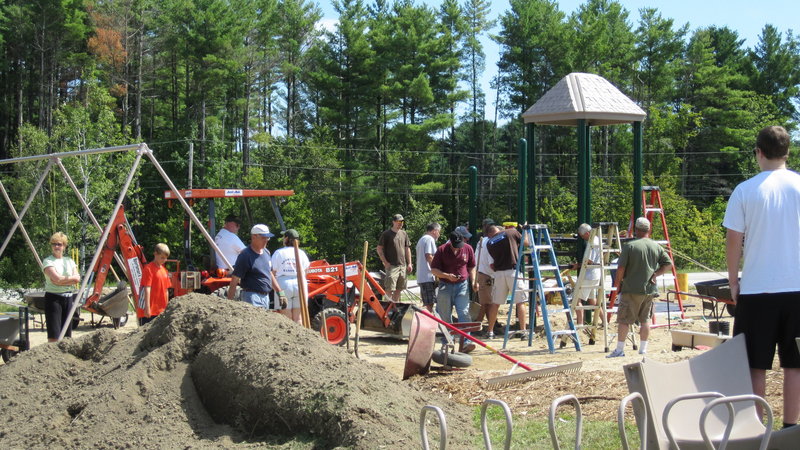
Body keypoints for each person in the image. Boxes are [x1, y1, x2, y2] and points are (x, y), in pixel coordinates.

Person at [724, 125, 800, 428]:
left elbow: (733, 240)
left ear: (758, 152)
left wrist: (733, 282)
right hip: (797, 291)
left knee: (755, 365)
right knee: (795, 366)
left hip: (756, 291)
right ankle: (791, 428)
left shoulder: (745, 190)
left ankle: (758, 430)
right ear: (787, 152)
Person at [607, 217, 672, 358]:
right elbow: (668, 264)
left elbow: (621, 268)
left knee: (624, 320)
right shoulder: (656, 246)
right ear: (649, 230)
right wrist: (656, 275)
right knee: (645, 320)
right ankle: (643, 349)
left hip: (631, 289)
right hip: (649, 289)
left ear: (636, 230)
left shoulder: (630, 246)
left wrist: (617, 284)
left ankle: (619, 350)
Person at [430, 231, 477, 353]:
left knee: (464, 312)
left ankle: (466, 341)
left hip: (462, 285)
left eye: (460, 244)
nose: (458, 248)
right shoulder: (441, 250)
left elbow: (471, 266)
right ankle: (448, 341)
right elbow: (434, 269)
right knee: (445, 315)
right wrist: (446, 275)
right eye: (455, 245)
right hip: (445, 286)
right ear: (450, 242)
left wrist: (473, 281)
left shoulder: (468, 249)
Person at [486, 224, 529, 339]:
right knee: (520, 302)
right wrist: (525, 230)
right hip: (513, 271)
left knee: (495, 303)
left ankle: (490, 331)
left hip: (499, 273)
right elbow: (526, 242)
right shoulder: (512, 232)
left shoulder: (489, 243)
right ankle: (523, 331)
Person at [228, 224, 284, 310]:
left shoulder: (266, 252)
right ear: (254, 237)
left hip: (266, 297)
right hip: (251, 297)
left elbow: (269, 273)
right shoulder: (245, 255)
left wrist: (280, 292)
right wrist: (229, 303)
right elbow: (235, 279)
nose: (266, 241)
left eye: (267, 238)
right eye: (263, 238)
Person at [42, 232, 81, 342]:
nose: (56, 247)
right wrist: (69, 280)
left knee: (67, 334)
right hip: (53, 299)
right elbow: (56, 278)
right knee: (54, 334)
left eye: (59, 244)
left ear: (64, 246)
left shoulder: (69, 261)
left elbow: (77, 278)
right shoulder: (48, 261)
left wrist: (60, 280)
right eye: (54, 244)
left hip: (68, 298)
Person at [271, 229, 310, 324]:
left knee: (286, 318)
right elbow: (306, 271)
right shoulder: (302, 253)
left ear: (286, 239)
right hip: (300, 284)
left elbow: (273, 271)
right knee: (299, 318)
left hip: (284, 284)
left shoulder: (279, 253)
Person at [574, 223, 600, 344]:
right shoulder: (598, 239)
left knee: (577, 298)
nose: (582, 238)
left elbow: (588, 261)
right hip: (597, 275)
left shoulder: (591, 242)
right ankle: (605, 322)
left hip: (589, 274)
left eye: (583, 236)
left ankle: (580, 325)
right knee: (593, 301)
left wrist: (577, 265)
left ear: (588, 233)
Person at [377, 213, 412, 302]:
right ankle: (386, 310)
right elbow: (379, 249)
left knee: (399, 289)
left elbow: (407, 249)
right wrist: (385, 262)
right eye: (398, 221)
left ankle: (395, 308)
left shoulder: (404, 233)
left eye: (401, 221)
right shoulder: (386, 234)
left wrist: (410, 263)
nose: (400, 223)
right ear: (393, 222)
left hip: (402, 266)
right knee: (389, 289)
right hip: (392, 266)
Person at [472, 219, 497, 338]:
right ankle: (478, 326)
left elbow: (476, 259)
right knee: (487, 303)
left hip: (484, 274)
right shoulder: (489, 242)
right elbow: (491, 262)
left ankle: (484, 325)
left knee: (487, 302)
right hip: (488, 275)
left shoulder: (481, 241)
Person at [138, 243, 171, 326]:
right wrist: (147, 308)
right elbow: (147, 289)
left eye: (166, 258)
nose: (165, 260)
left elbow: (166, 290)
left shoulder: (164, 271)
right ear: (155, 254)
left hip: (161, 311)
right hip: (149, 312)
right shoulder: (148, 269)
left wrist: (166, 307)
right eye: (162, 257)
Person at [415, 222, 441, 312]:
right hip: (427, 276)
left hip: (423, 276)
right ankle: (431, 319)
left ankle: (431, 317)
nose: (439, 234)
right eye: (439, 232)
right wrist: (436, 271)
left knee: (429, 301)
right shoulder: (429, 239)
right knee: (430, 302)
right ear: (434, 231)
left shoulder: (422, 239)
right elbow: (429, 256)